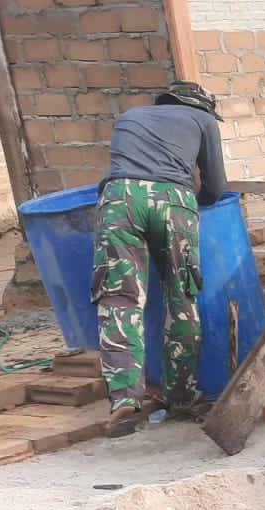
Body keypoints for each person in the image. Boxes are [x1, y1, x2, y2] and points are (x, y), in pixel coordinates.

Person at [95, 80, 227, 438]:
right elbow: (215, 187)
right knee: (181, 297)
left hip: (119, 199)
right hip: (173, 201)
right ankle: (182, 397)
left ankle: (124, 399)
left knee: (120, 302)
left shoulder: (128, 117)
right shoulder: (203, 121)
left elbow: (119, 173)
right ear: (202, 106)